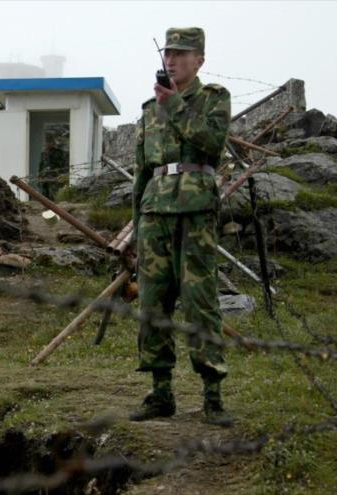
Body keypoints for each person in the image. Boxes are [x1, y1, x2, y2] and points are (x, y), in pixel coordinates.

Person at [130, 27, 233, 427]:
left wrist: (174, 106)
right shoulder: (147, 108)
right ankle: (160, 393)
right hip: (155, 211)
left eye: (181, 54)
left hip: (195, 209)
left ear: (199, 61)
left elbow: (210, 143)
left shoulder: (213, 99)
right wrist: (137, 225)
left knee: (199, 300)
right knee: (153, 302)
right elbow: (142, 173)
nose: (171, 60)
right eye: (168, 53)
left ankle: (212, 395)